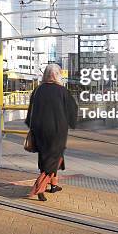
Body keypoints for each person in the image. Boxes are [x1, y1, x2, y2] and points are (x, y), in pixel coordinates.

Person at [25, 64, 78, 201]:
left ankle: (54, 185)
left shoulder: (37, 91)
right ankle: (39, 187)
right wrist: (72, 123)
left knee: (46, 157)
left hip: (39, 130)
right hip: (57, 131)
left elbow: (31, 112)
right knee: (54, 158)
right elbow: (73, 109)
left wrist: (31, 127)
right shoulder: (62, 91)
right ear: (58, 75)